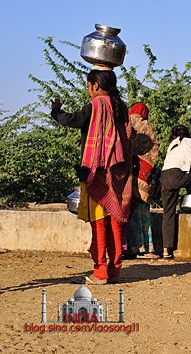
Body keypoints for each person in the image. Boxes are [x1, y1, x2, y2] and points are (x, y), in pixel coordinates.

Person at [51, 68, 133, 285]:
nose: (88, 90)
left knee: (98, 222)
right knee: (114, 220)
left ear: (95, 86)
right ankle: (114, 270)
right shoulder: (121, 107)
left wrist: (56, 112)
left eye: (88, 86)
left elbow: (73, 120)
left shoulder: (95, 105)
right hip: (116, 172)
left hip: (96, 171)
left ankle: (100, 271)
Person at [160, 124, 191, 259]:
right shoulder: (190, 142)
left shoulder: (172, 144)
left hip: (165, 177)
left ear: (174, 136)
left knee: (167, 214)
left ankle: (165, 251)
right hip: (177, 176)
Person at [125, 102, 159, 259]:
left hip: (129, 172)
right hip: (143, 175)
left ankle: (134, 247)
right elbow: (153, 147)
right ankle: (147, 247)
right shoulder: (145, 124)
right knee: (144, 211)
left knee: (131, 212)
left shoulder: (125, 123)